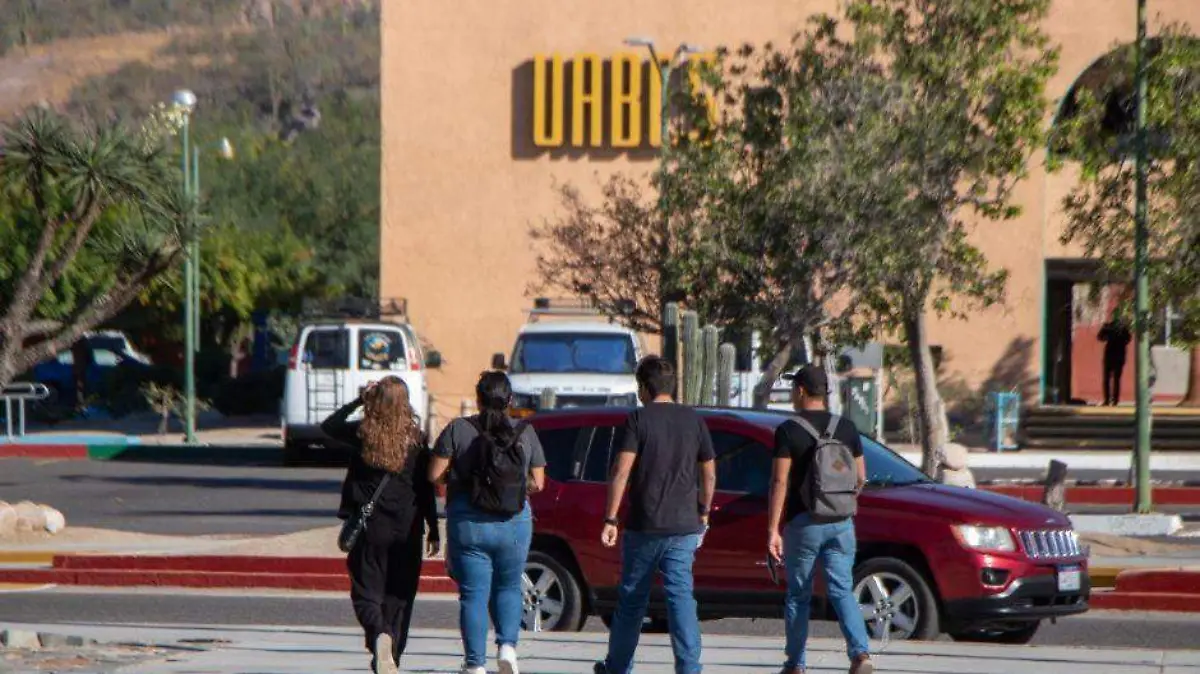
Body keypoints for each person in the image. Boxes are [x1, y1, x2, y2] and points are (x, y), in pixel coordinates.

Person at [595, 356, 716, 674]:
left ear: (646, 388)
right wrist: (704, 510)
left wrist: (610, 518)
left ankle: (618, 666)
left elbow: (621, 471)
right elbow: (710, 473)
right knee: (680, 599)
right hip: (684, 525)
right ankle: (689, 666)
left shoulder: (638, 419)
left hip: (644, 525)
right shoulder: (694, 420)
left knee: (633, 599)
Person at [429, 371, 546, 674]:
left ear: (478, 398)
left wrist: (460, 482)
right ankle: (507, 647)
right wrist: (510, 489)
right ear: (510, 400)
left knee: (473, 595)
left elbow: (433, 475)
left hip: (469, 522)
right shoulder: (525, 432)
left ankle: (475, 665)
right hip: (514, 522)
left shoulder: (458, 429)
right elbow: (538, 482)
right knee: (508, 587)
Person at [323, 377, 440, 674]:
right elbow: (425, 488)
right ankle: (392, 655)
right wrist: (433, 527)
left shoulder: (364, 434)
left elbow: (329, 425)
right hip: (407, 528)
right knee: (400, 594)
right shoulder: (416, 439)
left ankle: (379, 634)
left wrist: (359, 400)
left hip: (370, 527)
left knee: (365, 592)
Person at [767, 365, 873, 674]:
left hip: (804, 523)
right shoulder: (847, 428)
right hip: (841, 523)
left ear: (800, 391)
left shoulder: (788, 430)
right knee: (842, 590)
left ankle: (796, 663)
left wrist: (773, 529)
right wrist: (839, 502)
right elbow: (861, 477)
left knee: (798, 595)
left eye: (792, 389)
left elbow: (779, 483)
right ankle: (860, 655)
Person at [1098, 317, 1132, 406]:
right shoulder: (1111, 327)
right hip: (1114, 356)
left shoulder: (1122, 329)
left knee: (1111, 379)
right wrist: (1105, 329)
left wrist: (1107, 331)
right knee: (1111, 379)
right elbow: (1100, 337)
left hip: (1114, 356)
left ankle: (1111, 400)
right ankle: (1111, 400)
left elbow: (1128, 339)